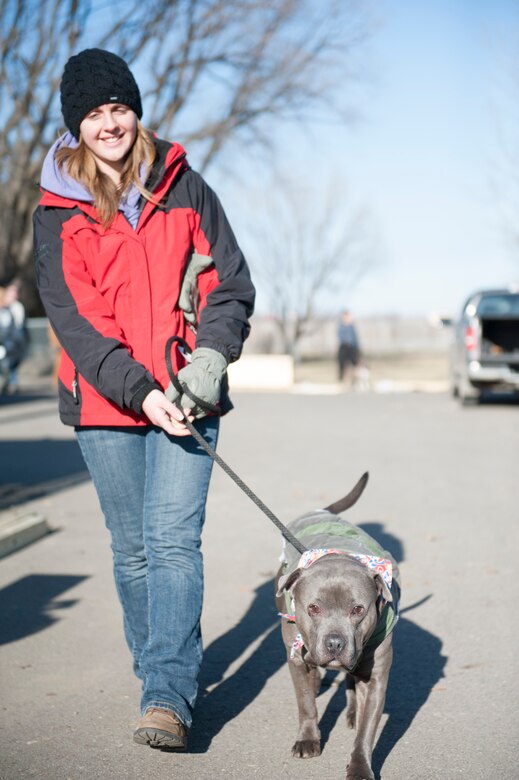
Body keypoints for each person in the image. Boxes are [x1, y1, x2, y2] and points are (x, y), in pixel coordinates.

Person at [33, 48, 255, 750]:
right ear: (75, 126)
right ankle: (160, 669)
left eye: (119, 109)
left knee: (171, 543)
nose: (109, 124)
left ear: (136, 112)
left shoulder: (186, 187)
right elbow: (75, 318)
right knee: (131, 551)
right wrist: (138, 389)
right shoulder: (56, 213)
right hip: (105, 403)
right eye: (94, 114)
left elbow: (231, 285)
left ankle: (166, 694)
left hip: (190, 396)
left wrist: (209, 362)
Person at [337, 309, 360, 384]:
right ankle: (342, 380)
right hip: (344, 346)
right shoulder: (341, 326)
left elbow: (355, 338)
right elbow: (340, 336)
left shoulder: (352, 326)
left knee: (355, 364)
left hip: (352, 347)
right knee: (342, 363)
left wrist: (357, 348)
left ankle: (355, 380)